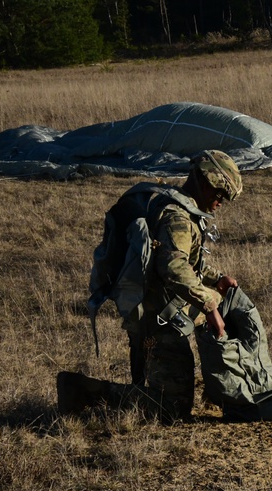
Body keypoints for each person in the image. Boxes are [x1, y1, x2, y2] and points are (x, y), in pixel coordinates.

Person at [58, 149, 243, 422]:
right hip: (158, 321)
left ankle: (132, 389)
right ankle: (83, 391)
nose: (219, 203)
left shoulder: (178, 207)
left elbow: (184, 260)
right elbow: (173, 268)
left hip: (151, 312)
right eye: (219, 195)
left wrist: (216, 278)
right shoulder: (178, 218)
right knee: (172, 410)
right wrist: (210, 303)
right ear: (205, 182)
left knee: (164, 391)